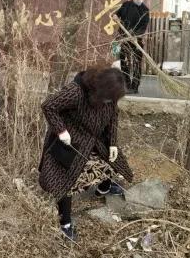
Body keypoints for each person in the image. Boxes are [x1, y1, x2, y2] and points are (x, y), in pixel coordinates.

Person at [38, 67, 134, 241]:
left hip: (94, 141)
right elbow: (48, 106)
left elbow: (113, 117)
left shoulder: (109, 96)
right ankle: (65, 224)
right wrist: (61, 131)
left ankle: (103, 188)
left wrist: (112, 143)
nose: (110, 102)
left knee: (113, 161)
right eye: (108, 99)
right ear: (99, 90)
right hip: (69, 144)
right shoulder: (75, 92)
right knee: (65, 181)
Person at [114, 0, 150, 94]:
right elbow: (117, 14)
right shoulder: (126, 5)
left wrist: (135, 35)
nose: (141, 0)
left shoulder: (145, 10)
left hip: (137, 40)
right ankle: (126, 85)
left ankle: (135, 86)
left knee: (136, 63)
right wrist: (115, 16)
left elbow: (144, 26)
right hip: (124, 39)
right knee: (123, 61)